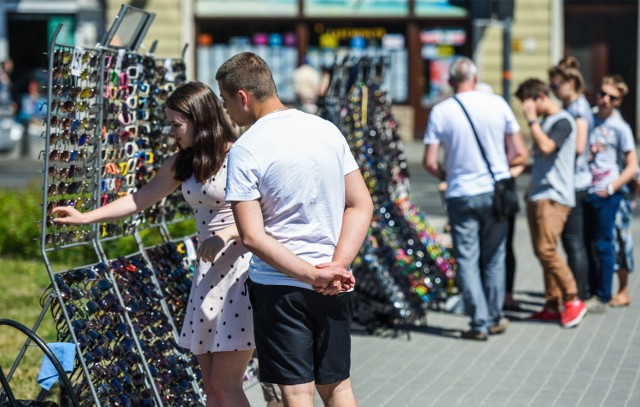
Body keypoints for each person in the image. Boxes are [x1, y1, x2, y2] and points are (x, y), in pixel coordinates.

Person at [52, 81, 256, 406]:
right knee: (212, 386)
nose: (172, 132)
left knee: (226, 384)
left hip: (240, 274)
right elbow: (140, 198)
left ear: (200, 119)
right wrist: (85, 217)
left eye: (177, 124)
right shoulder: (183, 162)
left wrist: (227, 233)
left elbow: (266, 215)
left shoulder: (242, 157)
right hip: (207, 275)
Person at [216, 52, 373, 407]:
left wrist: (310, 274)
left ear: (243, 96)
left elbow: (253, 235)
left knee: (296, 391)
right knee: (338, 386)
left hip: (280, 285)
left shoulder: (246, 149)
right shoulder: (325, 129)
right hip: (334, 282)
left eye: (226, 102)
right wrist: (336, 267)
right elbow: (361, 204)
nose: (226, 111)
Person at [423, 56, 526, 340]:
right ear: (476, 78)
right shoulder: (498, 104)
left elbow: (429, 161)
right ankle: (495, 316)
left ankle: (478, 323)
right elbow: (518, 152)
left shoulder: (441, 111)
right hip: (494, 192)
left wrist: (448, 175)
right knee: (495, 257)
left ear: (450, 81)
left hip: (461, 193)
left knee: (467, 259)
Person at [515, 78, 586, 328]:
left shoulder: (563, 121)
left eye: (528, 104)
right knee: (542, 252)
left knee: (547, 250)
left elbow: (546, 148)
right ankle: (552, 304)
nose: (527, 111)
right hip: (538, 195)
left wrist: (532, 121)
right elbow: (541, 160)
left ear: (541, 97)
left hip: (554, 197)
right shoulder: (546, 122)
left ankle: (573, 299)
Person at [584, 75, 638, 313]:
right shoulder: (589, 120)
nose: (605, 99)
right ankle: (593, 289)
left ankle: (613, 292)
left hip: (611, 192)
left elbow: (632, 166)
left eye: (611, 97)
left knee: (612, 242)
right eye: (602, 93)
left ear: (618, 101)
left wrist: (611, 188)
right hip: (588, 188)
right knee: (592, 243)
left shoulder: (620, 127)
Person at [548, 57, 592, 301]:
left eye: (557, 86)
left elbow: (579, 146)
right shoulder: (572, 107)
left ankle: (579, 294)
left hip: (575, 182)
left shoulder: (578, 109)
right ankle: (576, 291)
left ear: (571, 83)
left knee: (574, 242)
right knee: (572, 242)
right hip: (572, 180)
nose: (554, 90)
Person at [611, 171, 639, 307]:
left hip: (620, 203)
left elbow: (637, 178)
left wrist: (632, 197)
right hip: (615, 201)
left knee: (622, 246)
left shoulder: (623, 152)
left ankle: (623, 291)